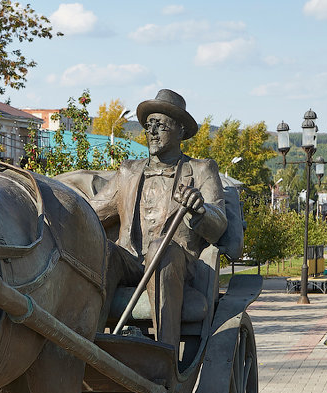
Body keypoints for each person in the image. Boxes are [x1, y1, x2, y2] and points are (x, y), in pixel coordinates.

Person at [91, 89, 226, 347]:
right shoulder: (128, 172)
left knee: (159, 250)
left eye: (161, 125)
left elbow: (219, 222)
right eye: (149, 125)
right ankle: (93, 348)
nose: (152, 131)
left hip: (177, 262)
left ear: (181, 131)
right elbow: (91, 211)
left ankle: (165, 353)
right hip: (131, 260)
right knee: (105, 251)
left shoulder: (201, 169)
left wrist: (201, 210)